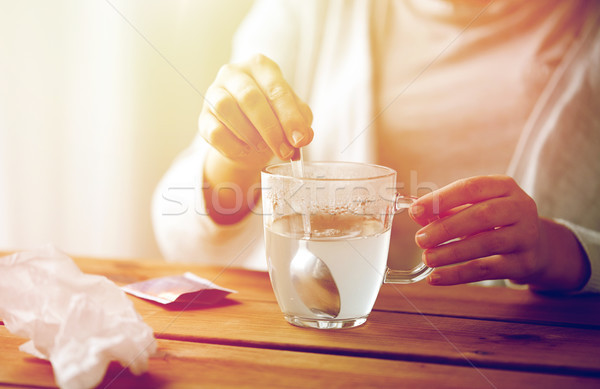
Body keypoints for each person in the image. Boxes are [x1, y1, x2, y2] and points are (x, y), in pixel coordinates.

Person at [152, 0, 600, 293]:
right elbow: (180, 238)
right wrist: (234, 164)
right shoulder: (308, 12)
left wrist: (559, 250)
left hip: (527, 354)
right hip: (322, 343)